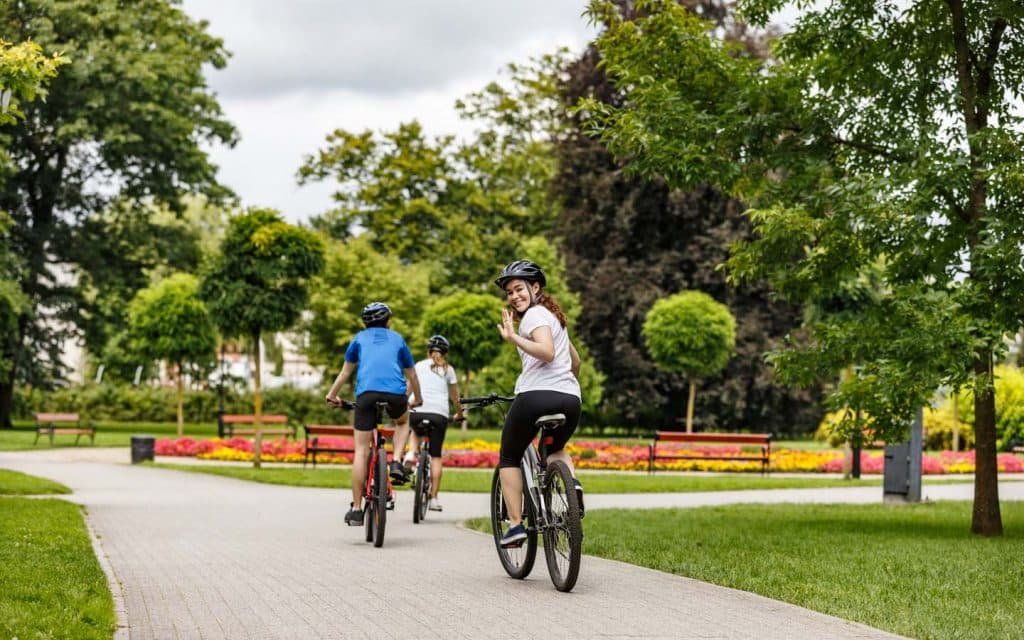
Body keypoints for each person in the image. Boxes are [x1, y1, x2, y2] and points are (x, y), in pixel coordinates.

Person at [493, 260, 583, 548]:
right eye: (509, 292)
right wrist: (563, 385)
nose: (514, 296)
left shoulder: (534, 316)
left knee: (509, 455)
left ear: (535, 288)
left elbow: (545, 352)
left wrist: (513, 338)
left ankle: (516, 525)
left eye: (519, 289)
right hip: (569, 399)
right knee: (554, 448)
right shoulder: (556, 321)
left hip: (534, 397)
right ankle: (574, 489)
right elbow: (576, 362)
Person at [325, 301, 423, 526]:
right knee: (402, 421)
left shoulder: (358, 339)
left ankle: (357, 509)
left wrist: (332, 395)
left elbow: (344, 373)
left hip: (366, 395)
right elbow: (413, 375)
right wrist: (417, 398)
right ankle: (396, 460)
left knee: (361, 451)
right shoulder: (398, 339)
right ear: (388, 321)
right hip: (396, 395)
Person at [402, 334, 464, 512]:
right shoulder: (448, 370)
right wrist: (459, 414)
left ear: (428, 351)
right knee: (435, 456)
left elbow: (409, 389)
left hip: (417, 410)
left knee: (415, 431)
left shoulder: (419, 366)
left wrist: (403, 405)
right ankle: (434, 499)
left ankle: (411, 454)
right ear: (445, 353)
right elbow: (455, 397)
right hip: (439, 414)